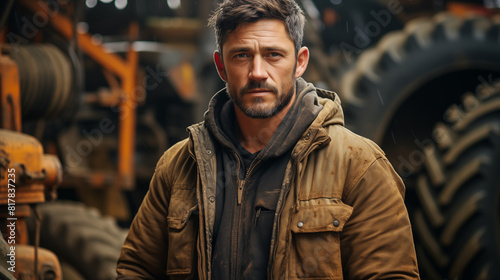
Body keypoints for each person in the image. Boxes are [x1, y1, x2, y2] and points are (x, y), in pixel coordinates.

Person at [116, 0, 420, 279]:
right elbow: (137, 270)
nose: (257, 72)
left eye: (273, 55)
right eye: (241, 56)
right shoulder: (178, 166)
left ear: (300, 62)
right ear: (221, 66)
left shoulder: (359, 166)